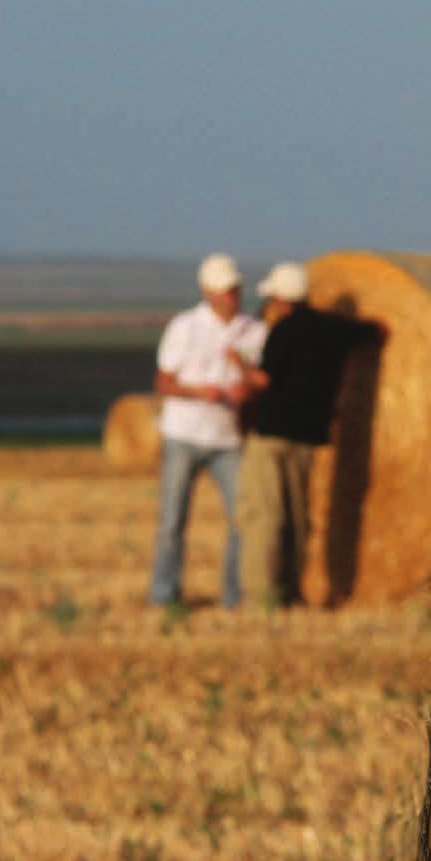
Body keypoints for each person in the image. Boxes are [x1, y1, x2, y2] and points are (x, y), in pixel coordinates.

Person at [231, 261, 385, 606]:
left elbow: (263, 380)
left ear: (280, 299)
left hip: (271, 435)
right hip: (308, 436)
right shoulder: (335, 329)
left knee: (264, 516)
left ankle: (260, 595)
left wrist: (237, 364)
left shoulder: (283, 330)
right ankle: (293, 590)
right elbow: (376, 331)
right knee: (300, 518)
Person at [149, 253, 266, 608]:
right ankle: (164, 596)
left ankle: (233, 598)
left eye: (235, 289)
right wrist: (201, 392)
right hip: (183, 434)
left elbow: (262, 382)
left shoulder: (255, 330)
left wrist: (243, 388)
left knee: (242, 520)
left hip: (228, 439)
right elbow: (163, 383)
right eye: (224, 290)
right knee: (172, 520)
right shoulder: (184, 327)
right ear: (208, 292)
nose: (231, 296)